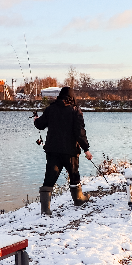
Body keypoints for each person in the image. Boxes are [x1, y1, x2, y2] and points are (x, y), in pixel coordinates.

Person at [32, 86, 93, 215]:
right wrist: (86, 149)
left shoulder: (51, 109)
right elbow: (80, 133)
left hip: (52, 151)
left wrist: (36, 120)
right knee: (74, 175)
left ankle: (45, 210)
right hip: (70, 151)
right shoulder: (75, 111)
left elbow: (40, 125)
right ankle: (78, 200)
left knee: (49, 178)